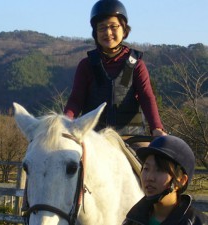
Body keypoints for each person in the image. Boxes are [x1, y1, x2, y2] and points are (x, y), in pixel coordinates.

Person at [64, 0, 167, 136]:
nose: (108, 32)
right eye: (102, 28)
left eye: (113, 26)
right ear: (95, 33)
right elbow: (76, 100)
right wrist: (64, 124)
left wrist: (157, 128)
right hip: (94, 137)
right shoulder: (86, 65)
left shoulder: (136, 65)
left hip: (131, 136)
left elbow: (146, 97)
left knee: (153, 157)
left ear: (124, 30)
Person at [122, 135, 208, 225]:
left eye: (160, 170)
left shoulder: (199, 222)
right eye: (146, 169)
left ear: (182, 180)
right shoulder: (131, 221)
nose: (149, 178)